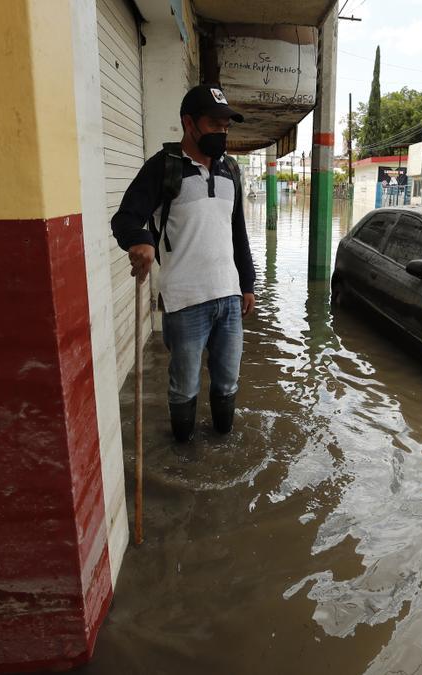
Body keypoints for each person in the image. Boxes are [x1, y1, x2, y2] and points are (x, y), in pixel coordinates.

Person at [110, 85, 256, 442]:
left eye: (226, 126)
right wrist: (141, 241)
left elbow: (237, 232)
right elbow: (125, 218)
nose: (222, 132)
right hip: (184, 301)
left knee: (227, 383)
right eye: (214, 124)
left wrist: (248, 284)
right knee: (184, 388)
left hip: (229, 299)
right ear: (188, 123)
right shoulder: (164, 168)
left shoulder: (230, 172)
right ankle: (183, 450)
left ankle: (222, 444)